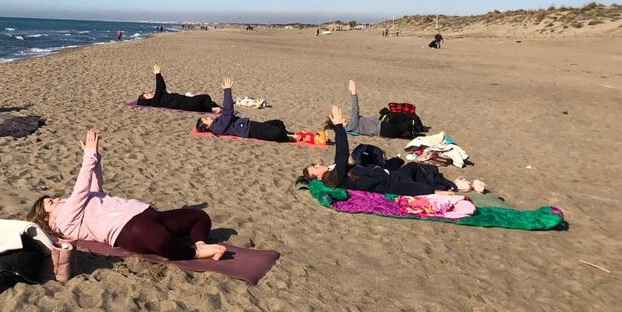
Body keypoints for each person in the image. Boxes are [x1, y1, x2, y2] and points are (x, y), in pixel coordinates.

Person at [27, 130, 227, 261]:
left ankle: (200, 243)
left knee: (199, 217)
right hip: (126, 230)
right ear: (47, 218)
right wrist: (87, 156)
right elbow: (80, 189)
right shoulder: (64, 221)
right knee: (152, 235)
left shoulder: (74, 205)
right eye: (51, 203)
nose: (58, 199)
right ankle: (195, 253)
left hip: (147, 214)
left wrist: (94, 157)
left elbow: (94, 185)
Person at [303, 106, 485, 195]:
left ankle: (446, 182)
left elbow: (345, 159)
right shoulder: (334, 178)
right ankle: (456, 188)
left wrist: (339, 127)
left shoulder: (334, 169)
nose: (318, 165)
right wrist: (339, 129)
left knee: (414, 167)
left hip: (390, 174)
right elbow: (342, 153)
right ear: (318, 176)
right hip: (390, 185)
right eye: (315, 168)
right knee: (426, 189)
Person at [195, 78, 295, 142]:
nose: (208, 117)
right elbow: (228, 111)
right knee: (276, 133)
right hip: (249, 130)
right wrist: (227, 91)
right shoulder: (217, 127)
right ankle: (288, 137)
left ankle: (288, 133)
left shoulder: (217, 122)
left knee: (277, 123)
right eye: (205, 119)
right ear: (206, 126)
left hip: (249, 125)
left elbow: (227, 113)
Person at [324, 80, 426, 138]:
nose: (342, 117)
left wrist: (335, 109)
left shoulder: (349, 124)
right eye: (340, 118)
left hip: (382, 124)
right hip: (382, 130)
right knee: (405, 125)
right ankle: (415, 130)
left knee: (403, 129)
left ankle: (415, 133)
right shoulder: (350, 126)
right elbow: (355, 110)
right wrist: (353, 93)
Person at [136, 65, 220, 112]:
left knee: (206, 97)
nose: (149, 93)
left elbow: (162, 87)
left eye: (147, 92)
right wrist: (157, 74)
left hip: (185, 99)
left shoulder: (158, 96)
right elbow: (160, 87)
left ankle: (212, 106)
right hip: (184, 104)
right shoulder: (154, 101)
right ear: (146, 100)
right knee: (197, 103)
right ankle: (212, 109)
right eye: (147, 95)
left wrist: (159, 74)